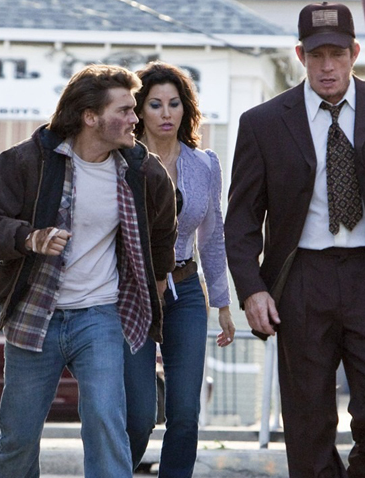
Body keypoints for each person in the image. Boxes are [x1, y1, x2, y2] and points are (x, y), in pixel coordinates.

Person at [224, 2, 365, 476]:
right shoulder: (263, 124)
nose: (327, 66)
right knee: (307, 420)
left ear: (354, 53)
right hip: (301, 279)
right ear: (300, 55)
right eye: (317, 55)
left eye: (337, 54)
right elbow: (240, 222)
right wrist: (252, 289)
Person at [0, 64, 178, 478]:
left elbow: (163, 232)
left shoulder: (142, 171)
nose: (136, 119)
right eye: (124, 110)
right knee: (18, 434)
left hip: (100, 315)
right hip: (35, 313)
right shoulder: (28, 161)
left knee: (105, 420)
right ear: (90, 116)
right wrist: (29, 238)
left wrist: (156, 284)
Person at [124, 61, 235, 477]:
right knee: (138, 415)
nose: (166, 113)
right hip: (133, 292)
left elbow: (213, 235)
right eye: (155, 104)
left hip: (186, 290)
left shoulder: (204, 164)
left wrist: (223, 303)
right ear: (139, 110)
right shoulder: (121, 161)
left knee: (185, 413)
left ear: (185, 109)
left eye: (174, 103)